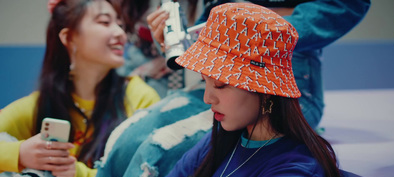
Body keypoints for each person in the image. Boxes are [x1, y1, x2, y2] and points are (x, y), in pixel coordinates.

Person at [90, 3, 346, 177]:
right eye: (205, 82)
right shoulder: (218, 141)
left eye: (221, 85)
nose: (207, 97)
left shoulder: (298, 174)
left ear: (266, 90)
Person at [0, 0, 159, 177]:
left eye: (120, 24)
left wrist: (77, 175)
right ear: (69, 37)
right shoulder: (42, 102)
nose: (120, 33)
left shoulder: (139, 97)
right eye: (105, 22)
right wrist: (21, 154)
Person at [147, 0, 371, 129]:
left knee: (159, 147)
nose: (208, 98)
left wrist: (265, 35)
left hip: (287, 81)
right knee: (137, 135)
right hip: (218, 72)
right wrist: (179, 40)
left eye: (221, 84)